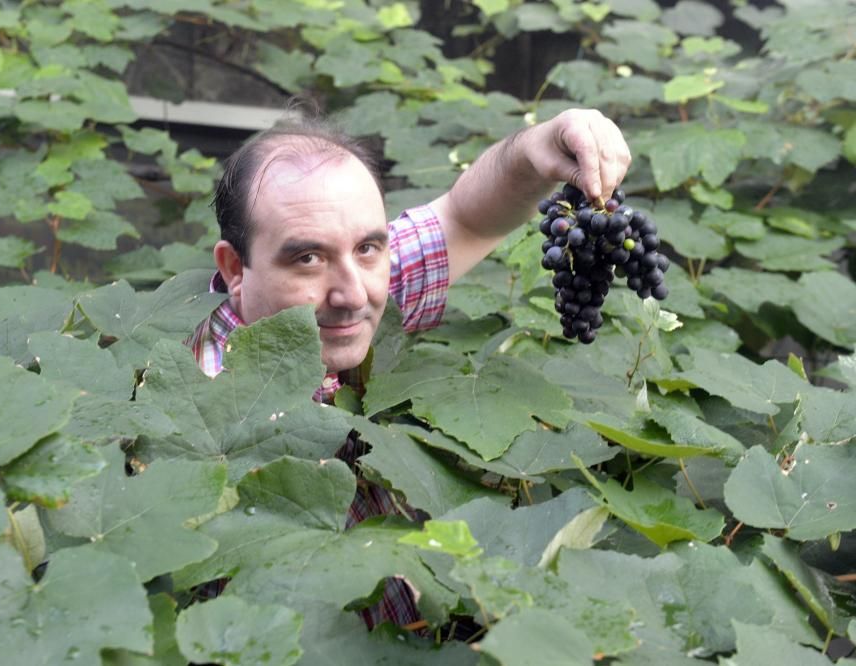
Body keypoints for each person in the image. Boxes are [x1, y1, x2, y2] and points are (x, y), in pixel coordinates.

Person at [185, 107, 631, 629]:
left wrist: (539, 144)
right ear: (235, 269)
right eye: (308, 258)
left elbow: (465, 217)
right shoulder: (197, 419)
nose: (354, 294)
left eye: (369, 247)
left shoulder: (352, 299)